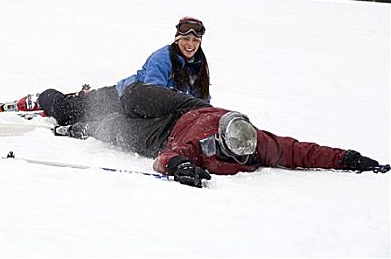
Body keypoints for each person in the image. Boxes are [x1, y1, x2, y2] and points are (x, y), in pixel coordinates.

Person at [51, 82, 390, 188]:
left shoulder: (236, 149)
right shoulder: (255, 137)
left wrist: (180, 167)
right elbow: (303, 149)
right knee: (135, 95)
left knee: (112, 128)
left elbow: (302, 153)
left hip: (162, 134)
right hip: (189, 107)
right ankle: (83, 103)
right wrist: (349, 156)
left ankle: (77, 123)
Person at [15, 17, 211, 126]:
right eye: (186, 39)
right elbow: (153, 95)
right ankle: (44, 98)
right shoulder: (163, 57)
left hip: (135, 110)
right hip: (120, 97)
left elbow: (201, 100)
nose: (190, 45)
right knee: (67, 113)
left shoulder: (198, 66)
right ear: (177, 39)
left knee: (96, 121)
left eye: (195, 41)